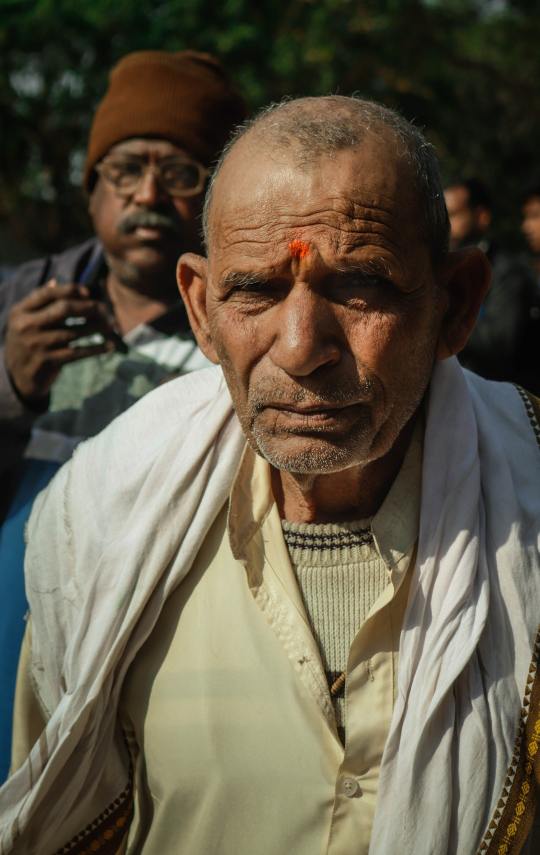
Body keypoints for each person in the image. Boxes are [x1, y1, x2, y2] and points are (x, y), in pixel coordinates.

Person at [2, 97, 539, 855]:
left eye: (360, 287)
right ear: (200, 308)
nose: (300, 346)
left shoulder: (528, 499)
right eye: (254, 289)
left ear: (457, 304)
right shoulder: (99, 518)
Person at [0, 49, 245, 782]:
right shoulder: (17, 303)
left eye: (180, 175)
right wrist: (10, 382)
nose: (147, 195)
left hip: (157, 660)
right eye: (125, 170)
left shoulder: (238, 326)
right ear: (90, 187)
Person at [444, 177, 537, 388]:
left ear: (482, 216)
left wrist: (442, 317)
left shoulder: (506, 271)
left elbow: (499, 340)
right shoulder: (441, 269)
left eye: (454, 215)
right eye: (442, 216)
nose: (446, 225)